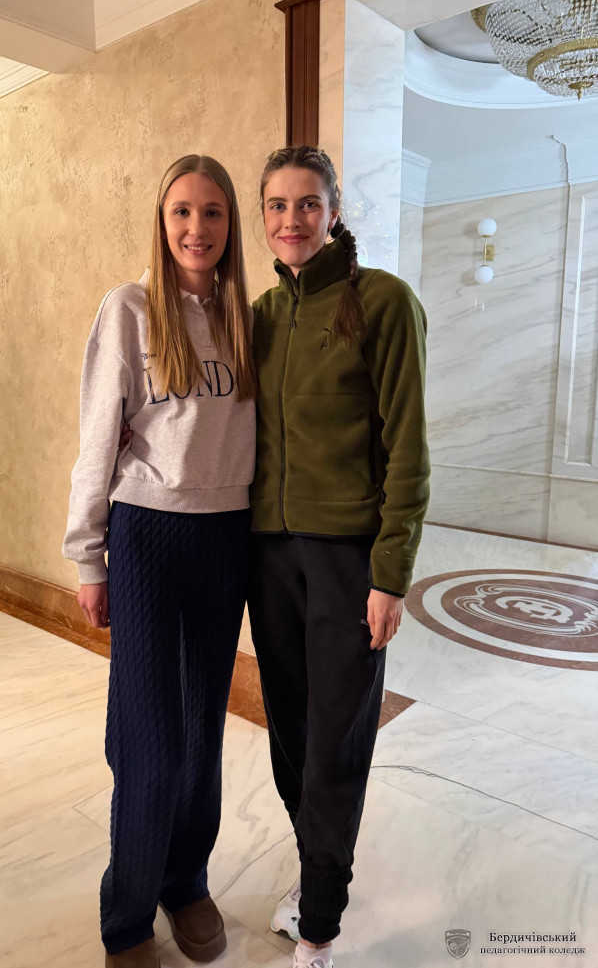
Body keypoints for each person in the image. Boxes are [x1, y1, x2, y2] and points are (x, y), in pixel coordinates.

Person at [62, 154, 257, 968]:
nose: (196, 228)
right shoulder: (130, 308)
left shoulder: (247, 319)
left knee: (201, 728)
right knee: (148, 736)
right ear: (162, 220)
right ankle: (130, 916)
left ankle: (186, 879)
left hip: (225, 538)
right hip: (146, 535)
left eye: (213, 212)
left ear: (230, 225)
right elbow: (96, 437)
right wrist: (89, 556)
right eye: (182, 211)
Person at [247, 145, 430, 968]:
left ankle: (318, 927)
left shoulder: (383, 302)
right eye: (277, 205)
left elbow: (408, 448)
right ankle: (312, 871)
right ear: (263, 216)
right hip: (267, 558)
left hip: (347, 563)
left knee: (335, 744)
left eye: (308, 203)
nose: (292, 219)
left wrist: (390, 573)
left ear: (333, 209)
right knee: (289, 734)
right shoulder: (259, 315)